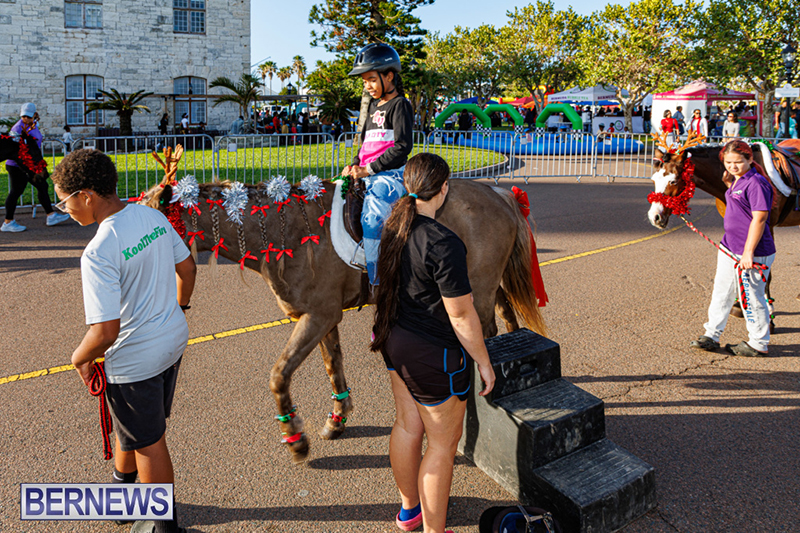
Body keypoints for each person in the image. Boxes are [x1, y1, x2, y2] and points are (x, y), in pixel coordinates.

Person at [51, 148, 196, 533]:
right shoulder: (151, 215)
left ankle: (163, 527)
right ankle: (122, 494)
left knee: (149, 442)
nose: (66, 210)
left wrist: (78, 358)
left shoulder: (98, 251)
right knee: (135, 426)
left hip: (135, 359)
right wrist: (179, 309)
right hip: (172, 340)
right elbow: (188, 267)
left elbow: (104, 333)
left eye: (65, 202)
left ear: (86, 195)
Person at [370, 152, 496, 533]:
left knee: (408, 426)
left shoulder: (393, 227)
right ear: (444, 188)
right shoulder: (443, 242)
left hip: (395, 340)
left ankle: (410, 511)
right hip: (433, 354)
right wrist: (485, 363)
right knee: (442, 445)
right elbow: (461, 315)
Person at [690, 141, 775, 357]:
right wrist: (730, 185)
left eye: (738, 162)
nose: (733, 166)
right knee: (722, 291)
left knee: (751, 297)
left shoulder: (756, 183)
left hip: (753, 252)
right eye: (728, 162)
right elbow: (741, 205)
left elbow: (760, 218)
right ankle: (712, 334)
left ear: (749, 160)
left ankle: (758, 343)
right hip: (730, 247)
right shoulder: (736, 180)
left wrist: (748, 252)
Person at [342, 42, 414, 284]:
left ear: (389, 76)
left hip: (390, 175)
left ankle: (378, 282)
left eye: (372, 79)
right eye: (365, 81)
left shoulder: (400, 105)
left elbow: (402, 147)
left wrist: (369, 169)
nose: (367, 86)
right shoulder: (373, 106)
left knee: (372, 221)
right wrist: (354, 165)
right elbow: (364, 145)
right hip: (365, 171)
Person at [2, 103, 70, 232]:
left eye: (29, 116)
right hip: (18, 165)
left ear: (34, 114)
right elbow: (15, 149)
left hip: (29, 164)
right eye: (24, 116)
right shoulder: (17, 129)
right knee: (16, 191)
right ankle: (8, 222)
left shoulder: (32, 125)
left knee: (42, 186)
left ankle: (50, 215)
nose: (26, 118)